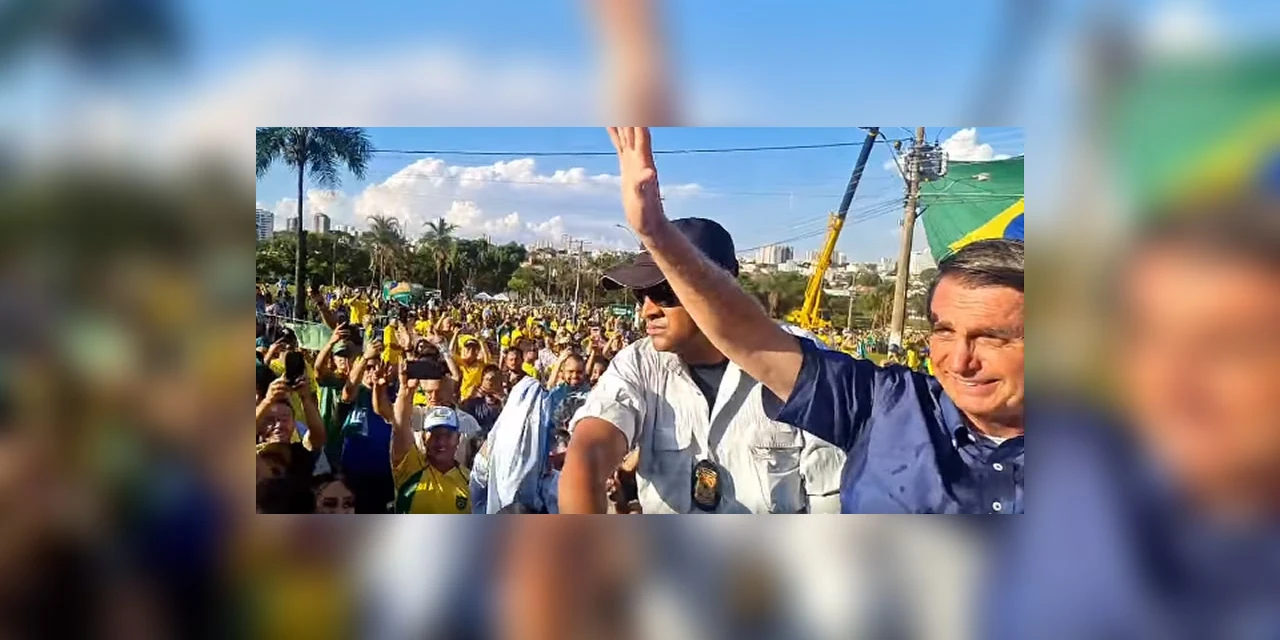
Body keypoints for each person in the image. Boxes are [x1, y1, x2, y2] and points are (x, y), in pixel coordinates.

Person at [601, 126, 1023, 514]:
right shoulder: (886, 407)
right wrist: (655, 231)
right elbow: (749, 338)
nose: (960, 360)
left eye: (992, 338)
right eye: (944, 331)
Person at [559, 216, 844, 514]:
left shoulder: (800, 362)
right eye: (640, 294)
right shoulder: (640, 364)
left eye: (666, 291)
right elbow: (587, 457)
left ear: (725, 284)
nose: (648, 310)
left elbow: (832, 502)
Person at [390, 384, 471, 514]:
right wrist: (406, 390)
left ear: (458, 438)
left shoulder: (470, 481)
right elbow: (400, 424)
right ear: (423, 437)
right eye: (434, 434)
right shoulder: (410, 468)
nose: (440, 441)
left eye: (448, 435)